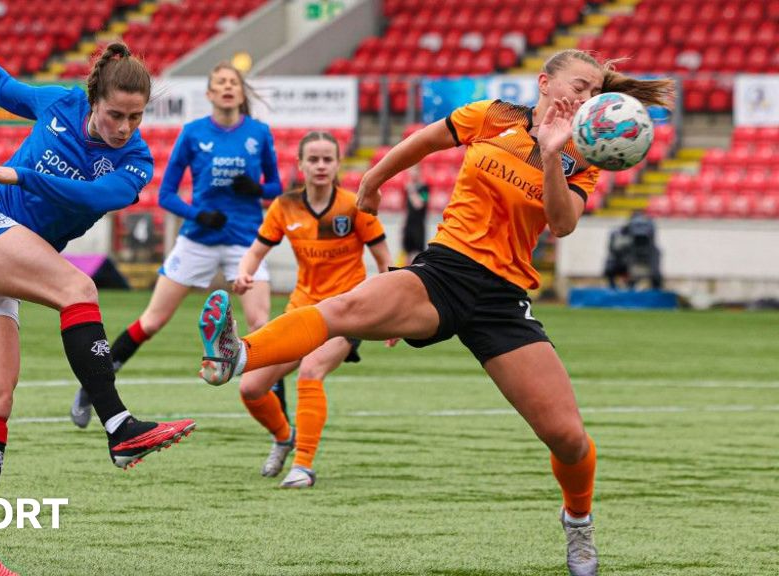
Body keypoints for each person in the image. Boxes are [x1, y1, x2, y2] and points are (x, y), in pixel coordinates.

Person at [197, 49, 674, 576]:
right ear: (544, 82)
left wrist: (553, 155)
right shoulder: (491, 116)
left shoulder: (582, 155)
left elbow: (561, 225)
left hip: (502, 301)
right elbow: (418, 144)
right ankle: (237, 354)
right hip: (443, 272)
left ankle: (578, 524)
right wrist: (373, 183)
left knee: (566, 436)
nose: (586, 98)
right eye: (579, 85)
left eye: (594, 90)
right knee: (345, 306)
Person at [0, 2, 195, 574]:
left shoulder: (136, 162)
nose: (124, 129)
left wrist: (22, 174)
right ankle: (119, 426)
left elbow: (90, 199)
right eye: (117, 115)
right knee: (78, 289)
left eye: (136, 118)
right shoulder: (59, 104)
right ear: (94, 100)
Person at [69, 62, 286, 428]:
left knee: (263, 325)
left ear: (241, 91)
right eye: (220, 82)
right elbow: (167, 195)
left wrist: (258, 190)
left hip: (244, 241)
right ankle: (92, 386)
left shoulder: (259, 133)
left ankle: (281, 422)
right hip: (198, 239)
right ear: (210, 93)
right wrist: (197, 215)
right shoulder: (193, 133)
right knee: (152, 321)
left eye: (233, 82)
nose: (227, 88)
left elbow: (276, 188)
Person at [223, 131, 390, 488]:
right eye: (312, 159)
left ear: (337, 165)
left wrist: (391, 315)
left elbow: (385, 263)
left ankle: (303, 466)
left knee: (311, 371)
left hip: (347, 312)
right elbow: (255, 251)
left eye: (327, 159)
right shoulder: (285, 206)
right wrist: (244, 273)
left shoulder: (355, 206)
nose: (320, 165)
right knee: (250, 387)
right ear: (300, 165)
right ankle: (284, 437)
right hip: (302, 310)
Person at [604, 211, 662, 290]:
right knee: (611, 263)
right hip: (627, 258)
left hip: (646, 258)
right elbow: (614, 248)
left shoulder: (653, 248)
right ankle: (614, 287)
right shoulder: (621, 233)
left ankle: (656, 289)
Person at [401, 164, 429, 264]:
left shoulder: (424, 188)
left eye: (414, 171)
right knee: (406, 252)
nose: (412, 174)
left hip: (418, 225)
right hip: (409, 224)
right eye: (410, 171)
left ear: (419, 172)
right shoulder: (407, 189)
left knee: (417, 253)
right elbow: (406, 208)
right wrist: (403, 224)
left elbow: (419, 204)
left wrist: (412, 190)